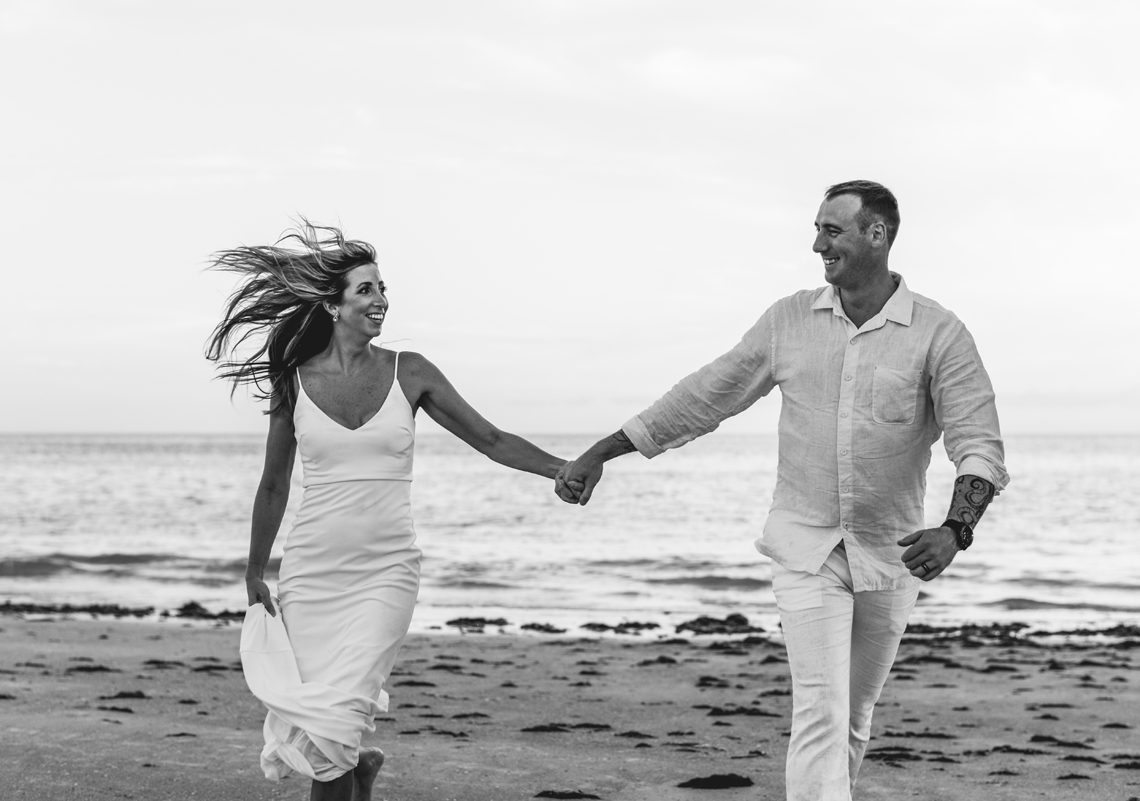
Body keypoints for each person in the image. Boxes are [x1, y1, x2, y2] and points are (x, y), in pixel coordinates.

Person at [555, 181, 1008, 800]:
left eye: (832, 230)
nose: (817, 243)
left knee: (853, 715)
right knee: (820, 709)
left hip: (890, 553)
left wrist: (955, 530)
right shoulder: (789, 320)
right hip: (806, 546)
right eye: (818, 228)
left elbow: (977, 440)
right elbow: (706, 395)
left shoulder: (939, 333)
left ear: (876, 235)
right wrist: (604, 449)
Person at [206, 221, 570, 801]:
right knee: (329, 727)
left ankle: (355, 772)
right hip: (312, 574)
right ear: (333, 304)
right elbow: (273, 484)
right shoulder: (293, 382)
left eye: (382, 288)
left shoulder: (411, 370)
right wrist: (254, 570)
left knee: (335, 721)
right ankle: (362, 777)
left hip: (386, 571)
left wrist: (558, 469)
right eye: (367, 290)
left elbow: (491, 437)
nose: (381, 300)